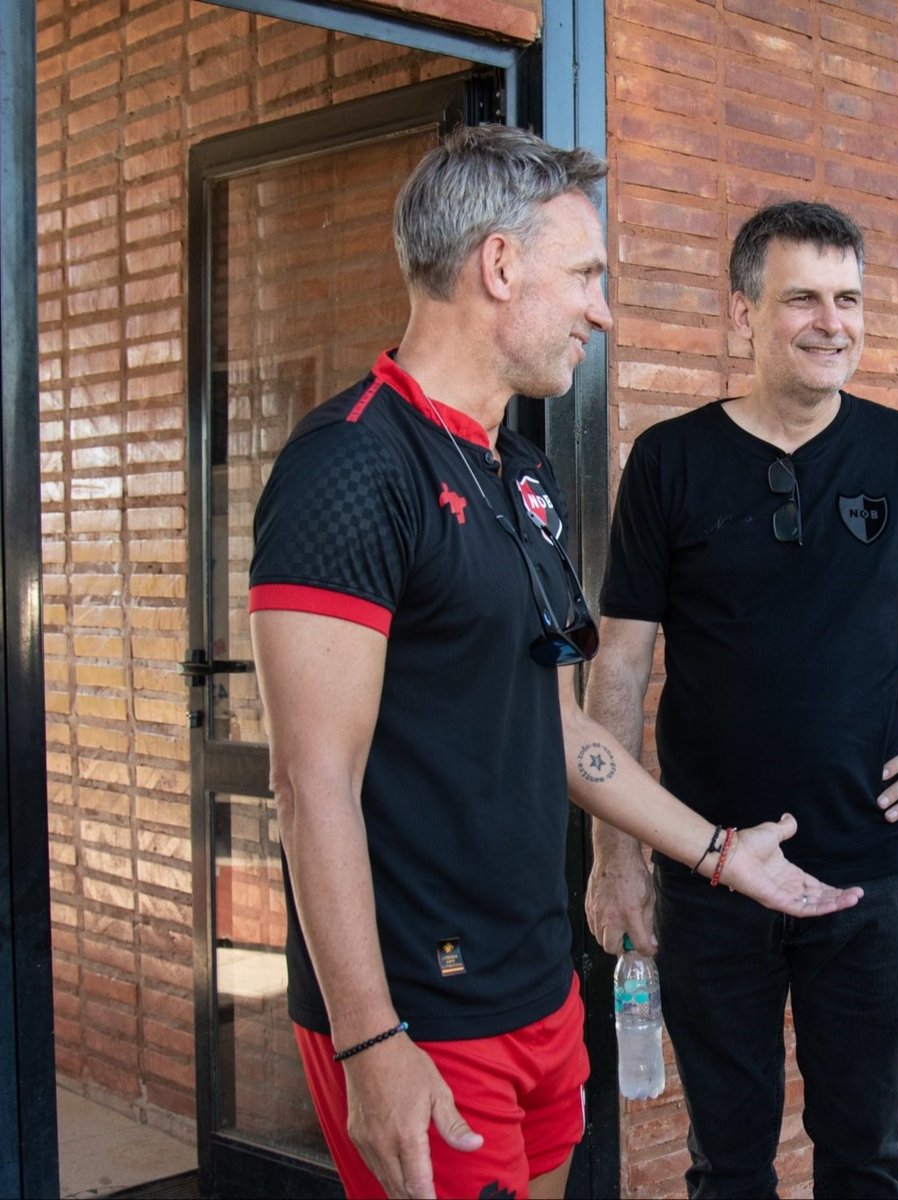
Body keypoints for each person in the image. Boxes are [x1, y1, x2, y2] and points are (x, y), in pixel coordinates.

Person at [248, 127, 861, 1200]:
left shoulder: (521, 473)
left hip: (537, 980)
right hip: (418, 1009)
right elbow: (311, 782)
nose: (601, 309)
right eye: (584, 275)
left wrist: (719, 853)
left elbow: (558, 725)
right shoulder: (348, 465)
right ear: (499, 265)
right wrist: (369, 1041)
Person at [582, 200, 898, 1197]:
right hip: (709, 869)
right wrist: (616, 856)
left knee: (865, 1158)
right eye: (802, 299)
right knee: (727, 1164)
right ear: (742, 311)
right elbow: (618, 664)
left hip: (868, 873)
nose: (833, 323)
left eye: (849, 299)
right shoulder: (670, 460)